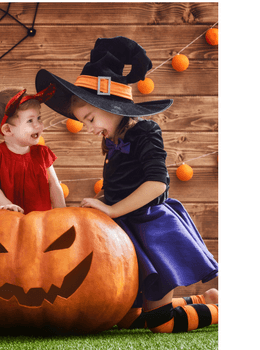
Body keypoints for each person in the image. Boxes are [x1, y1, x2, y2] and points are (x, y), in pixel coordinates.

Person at [35, 36, 219, 333]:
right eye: (84, 122)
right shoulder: (112, 140)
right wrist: (98, 206)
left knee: (161, 324)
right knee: (130, 316)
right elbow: (119, 185)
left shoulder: (146, 131)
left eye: (91, 118)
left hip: (152, 227)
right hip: (126, 229)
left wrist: (111, 210)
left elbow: (157, 183)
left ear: (113, 105)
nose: (90, 128)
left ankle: (217, 309)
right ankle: (198, 299)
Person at [0, 85, 66, 217]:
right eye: (30, 121)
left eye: (39, 118)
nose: (38, 125)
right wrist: (7, 205)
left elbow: (54, 185)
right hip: (6, 220)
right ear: (8, 130)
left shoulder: (42, 153)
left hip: (40, 220)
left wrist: (62, 213)